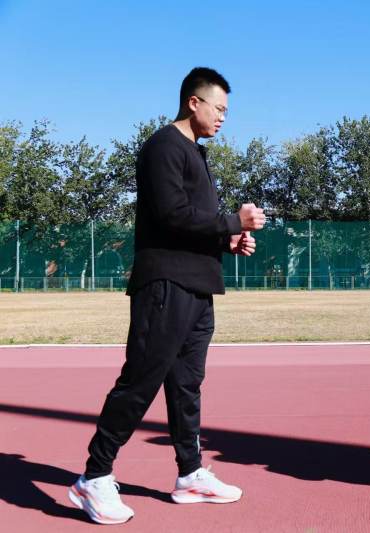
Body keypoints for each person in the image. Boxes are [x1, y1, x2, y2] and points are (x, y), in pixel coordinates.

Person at [68, 67, 266, 525]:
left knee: (186, 386)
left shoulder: (195, 153)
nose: (223, 117)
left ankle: (190, 474)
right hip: (165, 286)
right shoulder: (163, 147)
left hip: (197, 287)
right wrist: (233, 221)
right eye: (219, 108)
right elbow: (171, 215)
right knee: (140, 381)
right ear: (194, 102)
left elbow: (188, 223)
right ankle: (94, 476)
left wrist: (227, 241)